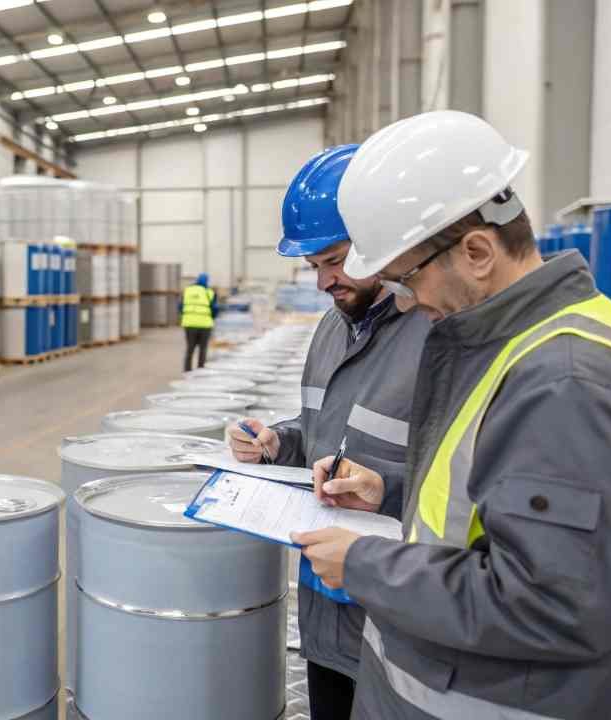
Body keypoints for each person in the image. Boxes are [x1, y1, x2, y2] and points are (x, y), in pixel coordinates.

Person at [292, 110, 611, 719]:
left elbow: (554, 602)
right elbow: (493, 513)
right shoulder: (517, 348)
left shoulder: (566, 381)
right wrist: (388, 490)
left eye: (406, 279)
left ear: (478, 252)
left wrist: (363, 566)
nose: (406, 301)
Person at [226, 145, 430, 720]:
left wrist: (384, 487)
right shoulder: (333, 329)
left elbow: (464, 484)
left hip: (397, 624)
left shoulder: (435, 335)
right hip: (326, 610)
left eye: (334, 261)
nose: (323, 281)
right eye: (314, 266)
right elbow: (321, 432)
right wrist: (277, 442)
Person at [180, 273, 218, 371]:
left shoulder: (187, 290)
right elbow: (215, 309)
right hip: (205, 325)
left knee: (190, 348)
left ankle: (187, 371)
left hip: (189, 325)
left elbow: (180, 307)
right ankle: (200, 372)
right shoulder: (209, 292)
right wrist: (212, 317)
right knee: (203, 349)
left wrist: (187, 316)